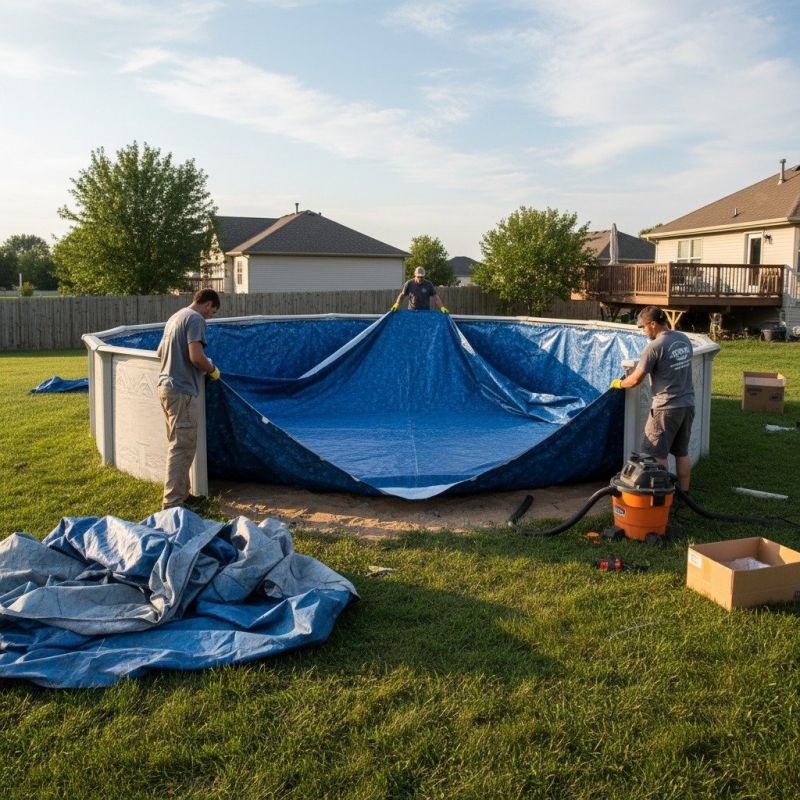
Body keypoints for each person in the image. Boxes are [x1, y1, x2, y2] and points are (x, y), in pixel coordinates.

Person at [610, 305, 695, 491]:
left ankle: (662, 496)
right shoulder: (683, 339)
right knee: (682, 453)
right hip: (687, 404)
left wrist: (619, 384)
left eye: (643, 327)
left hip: (666, 408)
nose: (643, 331)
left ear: (653, 324)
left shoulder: (654, 347)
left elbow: (635, 380)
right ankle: (685, 494)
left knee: (657, 455)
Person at [155, 288, 221, 510]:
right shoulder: (195, 319)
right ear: (207, 304)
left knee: (180, 443)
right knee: (182, 447)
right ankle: (172, 504)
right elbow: (196, 357)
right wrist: (212, 369)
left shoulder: (175, 317)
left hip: (165, 387)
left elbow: (159, 352)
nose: (210, 316)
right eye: (212, 311)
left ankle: (183, 495)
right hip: (182, 391)